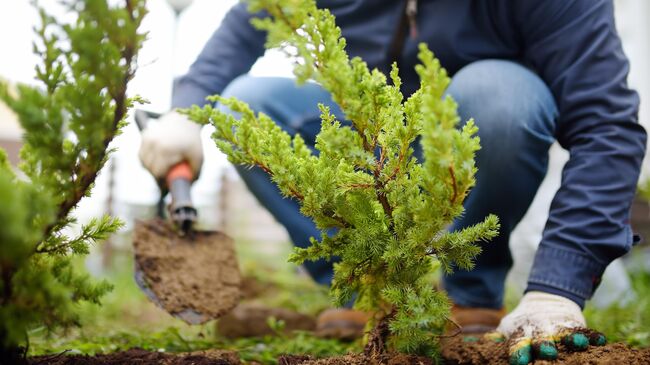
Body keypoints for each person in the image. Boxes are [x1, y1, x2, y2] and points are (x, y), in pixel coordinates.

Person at [139, 0, 646, 361]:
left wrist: (557, 287)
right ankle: (366, 287)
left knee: (499, 97)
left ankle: (471, 288)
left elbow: (607, 125)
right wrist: (186, 110)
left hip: (475, 137)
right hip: (374, 137)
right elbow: (249, 21)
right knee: (245, 104)